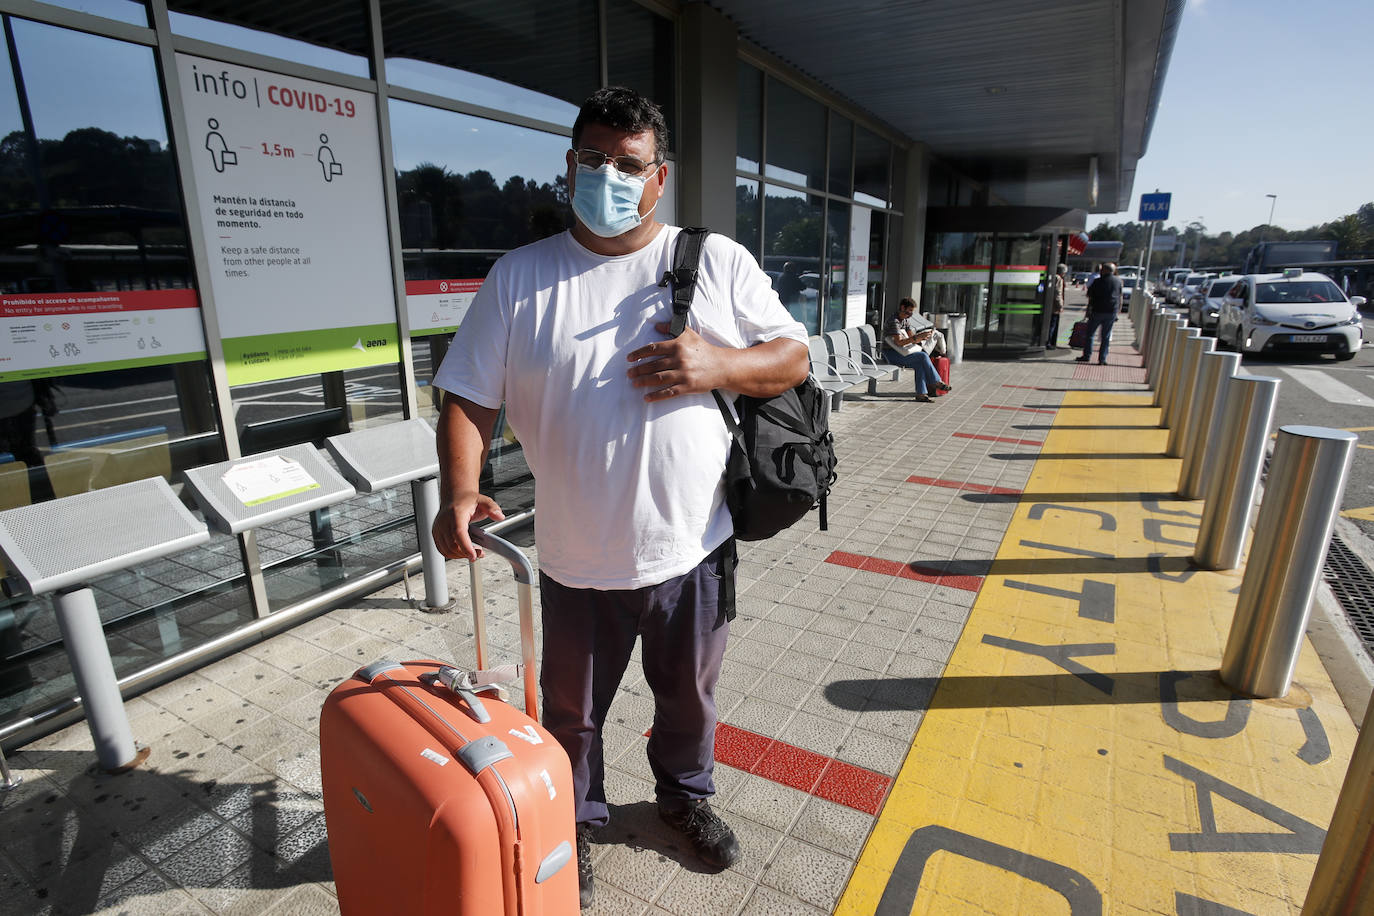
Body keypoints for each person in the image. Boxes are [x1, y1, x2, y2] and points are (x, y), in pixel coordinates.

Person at [429, 87, 809, 909]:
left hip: (692, 547)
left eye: (627, 165)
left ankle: (685, 797)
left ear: (658, 177)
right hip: (572, 559)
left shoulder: (714, 261)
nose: (609, 176)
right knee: (569, 716)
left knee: (690, 697)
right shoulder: (520, 278)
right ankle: (574, 822)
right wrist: (462, 488)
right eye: (594, 160)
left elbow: (791, 359)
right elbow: (467, 396)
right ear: (570, 165)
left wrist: (719, 365)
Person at [883, 297, 953, 402]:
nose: (910, 314)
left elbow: (911, 338)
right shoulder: (895, 321)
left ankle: (921, 394)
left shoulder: (905, 320)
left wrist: (922, 337)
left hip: (901, 352)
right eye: (909, 311)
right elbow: (899, 342)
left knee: (920, 364)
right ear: (903, 307)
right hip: (890, 354)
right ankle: (935, 382)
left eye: (912, 311)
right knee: (923, 356)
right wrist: (916, 338)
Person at [1077, 262, 1122, 364]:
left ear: (1104, 270)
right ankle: (1102, 359)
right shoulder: (1118, 281)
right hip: (1111, 311)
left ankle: (1087, 355)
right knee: (1105, 336)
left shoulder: (1097, 281)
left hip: (1097, 311)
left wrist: (1088, 311)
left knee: (1090, 334)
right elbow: (1120, 296)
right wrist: (1118, 310)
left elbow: (1090, 296)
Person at [1046, 263, 1067, 349]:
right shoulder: (1058, 279)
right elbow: (1057, 293)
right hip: (1053, 307)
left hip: (1048, 305)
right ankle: (1048, 342)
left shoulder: (1052, 276)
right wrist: (1060, 306)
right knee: (1052, 325)